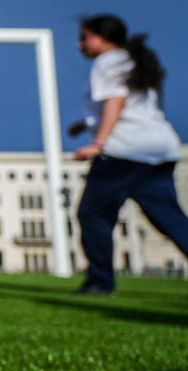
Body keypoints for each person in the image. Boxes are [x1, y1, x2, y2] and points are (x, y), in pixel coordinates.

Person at [70, 14, 186, 295]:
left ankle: (100, 281)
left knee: (93, 213)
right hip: (160, 147)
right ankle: (99, 280)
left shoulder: (108, 61)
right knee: (169, 218)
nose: (79, 44)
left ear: (101, 37)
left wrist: (98, 143)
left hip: (126, 151)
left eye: (84, 38)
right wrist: (85, 124)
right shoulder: (133, 59)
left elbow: (117, 101)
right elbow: (134, 106)